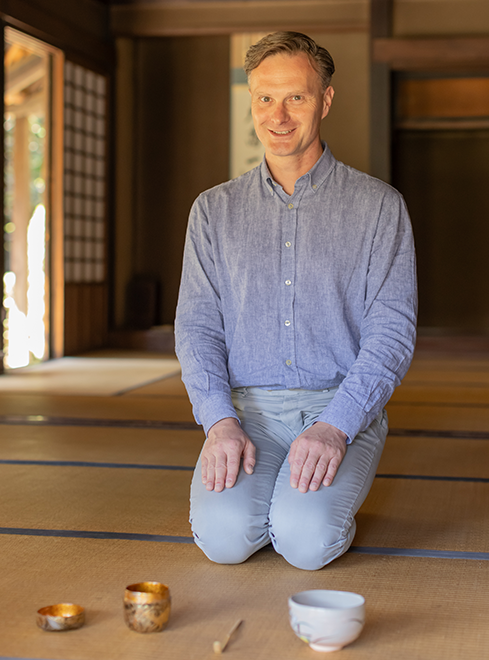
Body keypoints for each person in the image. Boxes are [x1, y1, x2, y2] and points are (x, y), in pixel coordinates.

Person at [174, 31, 417, 571]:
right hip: (247, 413)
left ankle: (307, 506)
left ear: (325, 100)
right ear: (251, 101)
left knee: (306, 545)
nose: (278, 115)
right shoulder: (213, 211)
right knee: (223, 541)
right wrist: (218, 421)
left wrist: (338, 425)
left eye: (296, 98)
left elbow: (392, 333)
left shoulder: (379, 207)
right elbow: (196, 328)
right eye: (264, 98)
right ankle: (278, 503)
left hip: (339, 407)